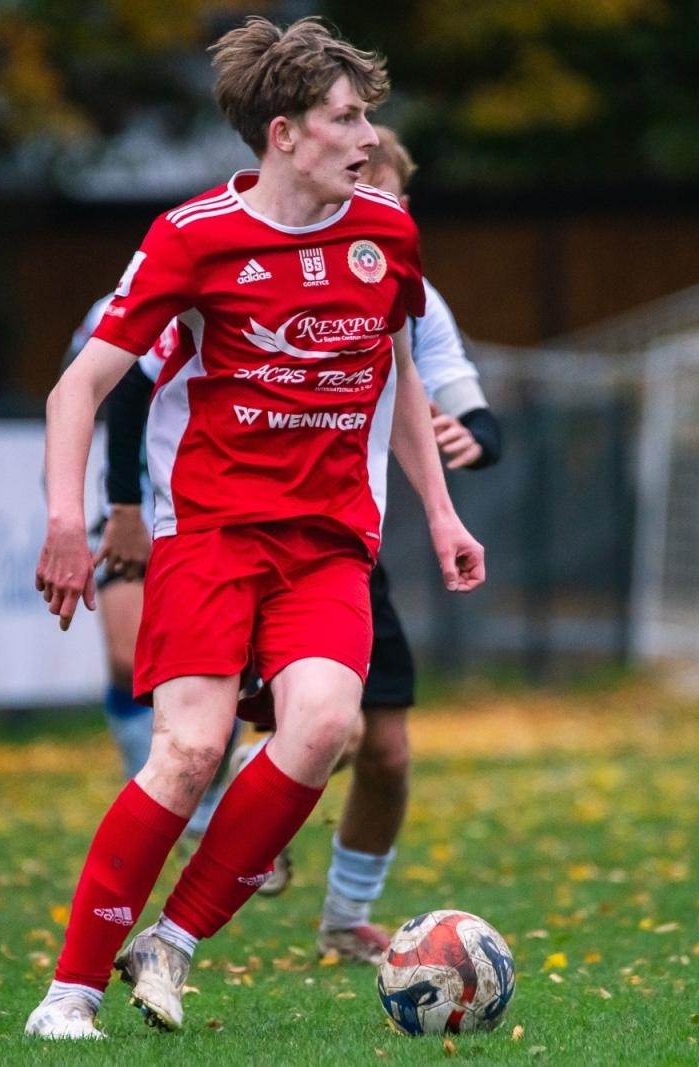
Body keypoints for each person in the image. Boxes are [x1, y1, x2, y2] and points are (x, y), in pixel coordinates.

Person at [26, 15, 484, 1041]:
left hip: (328, 541)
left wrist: (443, 512)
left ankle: (174, 942)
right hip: (213, 534)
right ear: (284, 133)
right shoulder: (191, 238)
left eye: (367, 116)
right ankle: (70, 992)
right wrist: (70, 519)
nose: (368, 136)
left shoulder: (386, 232)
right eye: (347, 117)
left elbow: (400, 374)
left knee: (324, 724)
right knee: (188, 752)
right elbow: (79, 387)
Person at [224, 126, 504, 965]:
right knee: (327, 731)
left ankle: (345, 919)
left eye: (379, 194)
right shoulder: (253, 262)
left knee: (386, 751)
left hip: (349, 543)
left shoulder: (404, 283)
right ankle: (236, 827)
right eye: (352, 191)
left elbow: (469, 405)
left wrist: (474, 438)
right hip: (249, 535)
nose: (365, 209)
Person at [69, 302, 240, 844]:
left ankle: (204, 793)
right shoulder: (107, 313)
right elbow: (83, 394)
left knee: (223, 658)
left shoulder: (239, 297)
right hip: (127, 500)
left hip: (206, 503)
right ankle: (141, 771)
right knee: (128, 657)